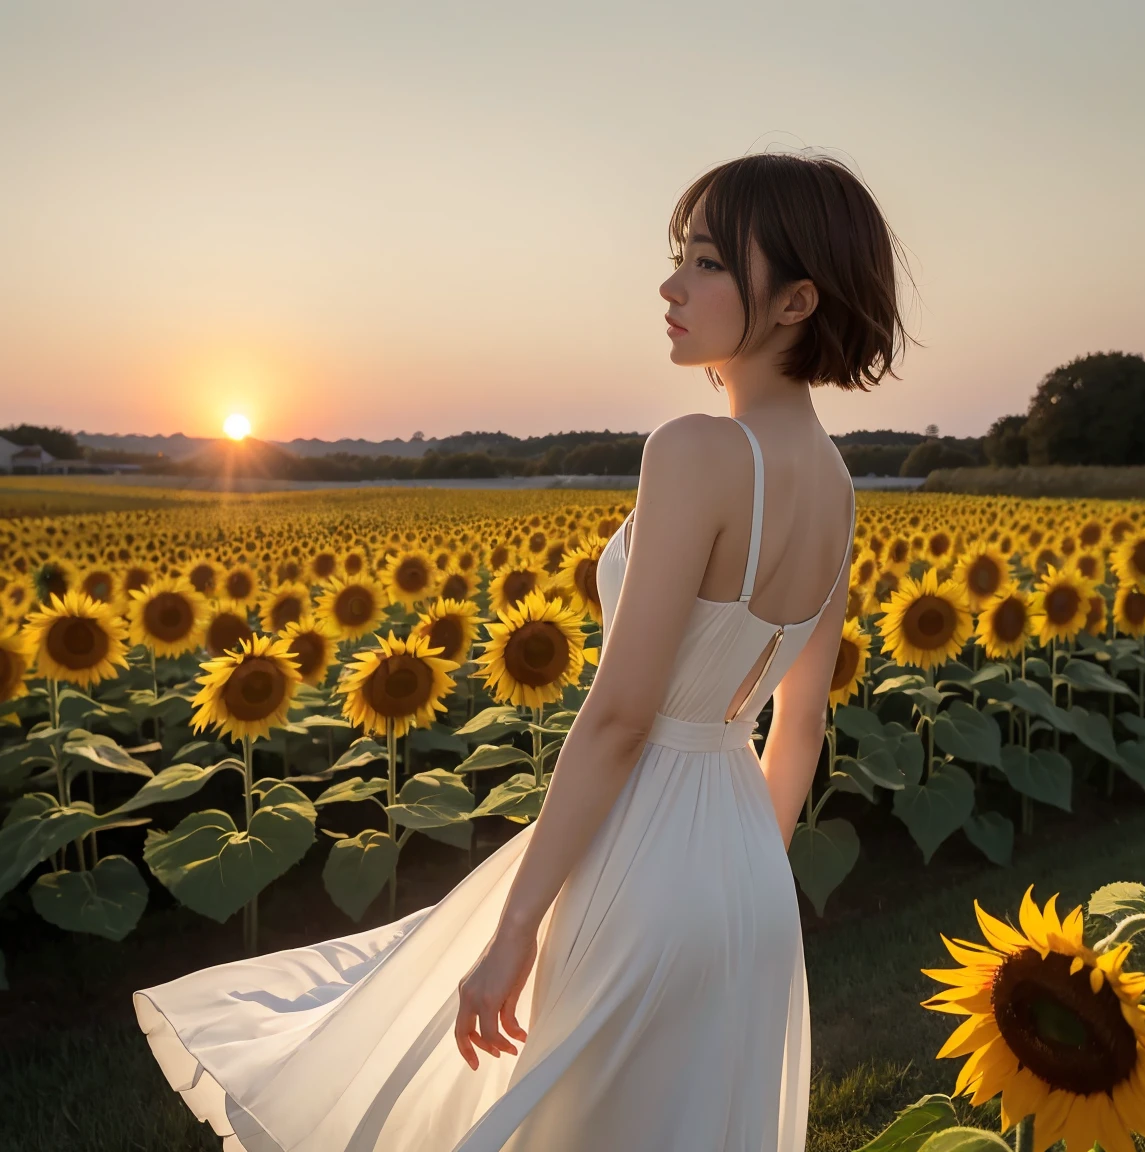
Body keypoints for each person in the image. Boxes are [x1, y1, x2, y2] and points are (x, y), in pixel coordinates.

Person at [133, 148, 918, 1151]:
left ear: (798, 300)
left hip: (639, 853)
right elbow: (797, 726)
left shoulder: (697, 451)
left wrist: (514, 930)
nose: (672, 286)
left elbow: (623, 717)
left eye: (712, 264)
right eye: (682, 257)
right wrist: (738, 880)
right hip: (744, 871)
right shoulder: (840, 484)